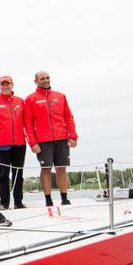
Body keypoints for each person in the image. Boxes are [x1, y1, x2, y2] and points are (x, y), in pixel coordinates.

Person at [24, 71, 78, 206]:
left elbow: (68, 117)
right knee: (46, 169)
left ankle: (64, 198)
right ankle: (48, 200)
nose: (46, 80)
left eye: (47, 78)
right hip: (43, 141)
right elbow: (28, 123)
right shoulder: (30, 99)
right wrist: (32, 142)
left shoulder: (60, 96)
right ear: (36, 81)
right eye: (42, 78)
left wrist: (73, 136)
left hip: (61, 138)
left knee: (61, 169)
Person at [0, 75, 27, 209]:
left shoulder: (20, 101)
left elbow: (26, 121)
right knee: (4, 173)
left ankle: (18, 202)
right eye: (3, 84)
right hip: (2, 144)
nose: (5, 86)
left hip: (20, 142)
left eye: (7, 84)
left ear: (12, 85)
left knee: (18, 173)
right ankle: (4, 202)